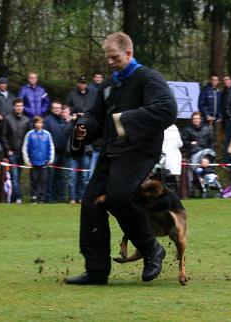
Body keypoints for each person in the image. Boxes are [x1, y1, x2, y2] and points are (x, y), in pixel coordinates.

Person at [64, 32, 177, 285]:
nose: (111, 62)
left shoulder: (149, 79)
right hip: (111, 154)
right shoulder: (108, 87)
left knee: (120, 195)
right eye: (108, 58)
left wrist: (124, 120)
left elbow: (167, 109)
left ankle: (151, 249)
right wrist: (83, 127)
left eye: (115, 57)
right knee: (91, 202)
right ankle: (96, 270)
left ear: (128, 53)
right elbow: (95, 117)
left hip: (139, 152)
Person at [0, 98, 30, 203]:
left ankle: (13, 198)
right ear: (14, 107)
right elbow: (3, 136)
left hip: (21, 153)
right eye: (17, 106)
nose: (19, 108)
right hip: (12, 152)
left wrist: (26, 152)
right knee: (15, 176)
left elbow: (27, 138)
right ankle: (18, 197)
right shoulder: (8, 119)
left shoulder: (26, 120)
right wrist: (8, 150)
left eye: (21, 106)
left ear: (23, 107)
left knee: (17, 176)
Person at [22, 116, 55, 203]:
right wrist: (27, 161)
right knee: (34, 180)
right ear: (34, 123)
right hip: (33, 163)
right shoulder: (30, 134)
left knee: (43, 181)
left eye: (41, 122)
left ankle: (42, 198)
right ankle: (34, 197)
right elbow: (25, 147)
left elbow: (51, 147)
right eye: (37, 122)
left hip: (44, 163)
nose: (39, 124)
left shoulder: (47, 134)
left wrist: (50, 160)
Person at [44, 100, 70, 202]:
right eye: (55, 108)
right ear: (52, 109)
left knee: (62, 176)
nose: (57, 110)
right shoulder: (48, 120)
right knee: (51, 176)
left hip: (64, 153)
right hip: (52, 153)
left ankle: (61, 197)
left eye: (58, 108)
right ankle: (49, 197)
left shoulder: (64, 120)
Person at [162, 124, 183, 192]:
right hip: (175, 156)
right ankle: (175, 193)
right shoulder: (175, 130)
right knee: (174, 178)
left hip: (164, 155)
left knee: (164, 176)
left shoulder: (162, 129)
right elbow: (180, 144)